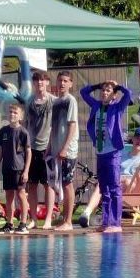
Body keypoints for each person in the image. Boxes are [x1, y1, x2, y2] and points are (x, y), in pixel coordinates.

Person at [81, 80, 133, 233]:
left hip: (113, 153)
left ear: (114, 95)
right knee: (104, 189)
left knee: (114, 187)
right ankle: (106, 222)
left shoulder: (117, 107)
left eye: (108, 90)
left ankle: (115, 223)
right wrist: (97, 85)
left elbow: (128, 94)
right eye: (103, 90)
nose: (104, 93)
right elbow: (83, 92)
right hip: (100, 153)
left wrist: (118, 87)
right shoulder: (96, 106)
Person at [78, 127, 140, 228]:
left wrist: (124, 178)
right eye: (137, 138)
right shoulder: (123, 154)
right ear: (133, 139)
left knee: (126, 181)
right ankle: (87, 213)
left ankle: (112, 212)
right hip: (117, 182)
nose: (139, 141)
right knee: (101, 184)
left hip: (133, 187)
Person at [0, 102, 32, 234]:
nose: (12, 114)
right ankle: (9, 224)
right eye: (10, 112)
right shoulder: (3, 131)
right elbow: (0, 150)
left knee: (21, 194)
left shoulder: (23, 132)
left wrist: (26, 171)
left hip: (19, 169)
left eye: (15, 112)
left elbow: (28, 152)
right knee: (8, 196)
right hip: (7, 168)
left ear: (20, 116)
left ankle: (23, 224)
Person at [25, 71, 55, 229]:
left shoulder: (53, 101)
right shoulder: (29, 101)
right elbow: (25, 124)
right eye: (36, 81)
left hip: (48, 148)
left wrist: (53, 145)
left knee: (48, 184)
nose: (40, 83)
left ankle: (48, 219)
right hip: (31, 148)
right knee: (32, 185)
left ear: (47, 82)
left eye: (42, 80)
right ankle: (34, 219)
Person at [50, 71, 79, 231]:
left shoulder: (70, 100)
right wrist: (50, 147)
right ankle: (64, 219)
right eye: (60, 80)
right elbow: (53, 127)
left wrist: (65, 148)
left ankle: (68, 221)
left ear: (71, 84)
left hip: (67, 150)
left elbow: (72, 125)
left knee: (67, 184)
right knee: (61, 184)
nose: (62, 83)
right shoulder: (56, 102)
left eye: (65, 81)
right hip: (57, 149)